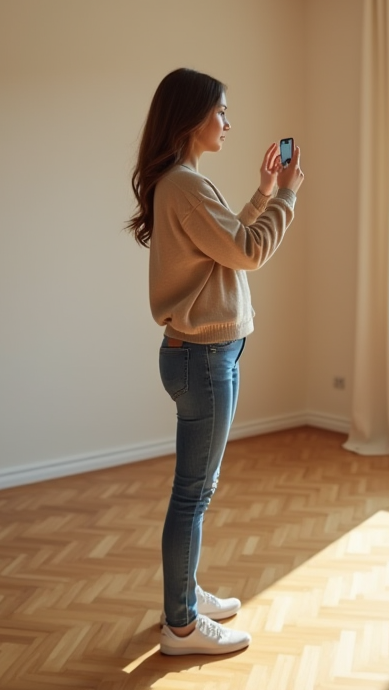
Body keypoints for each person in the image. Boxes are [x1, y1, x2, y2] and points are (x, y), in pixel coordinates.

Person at [125, 67, 303, 656]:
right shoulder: (185, 185)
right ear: (192, 117)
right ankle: (180, 626)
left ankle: (185, 595)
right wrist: (289, 196)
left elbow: (226, 242)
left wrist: (263, 191)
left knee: (197, 489)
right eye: (221, 111)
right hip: (203, 358)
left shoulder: (181, 183)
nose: (229, 122)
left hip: (200, 354)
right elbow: (249, 251)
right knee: (193, 493)